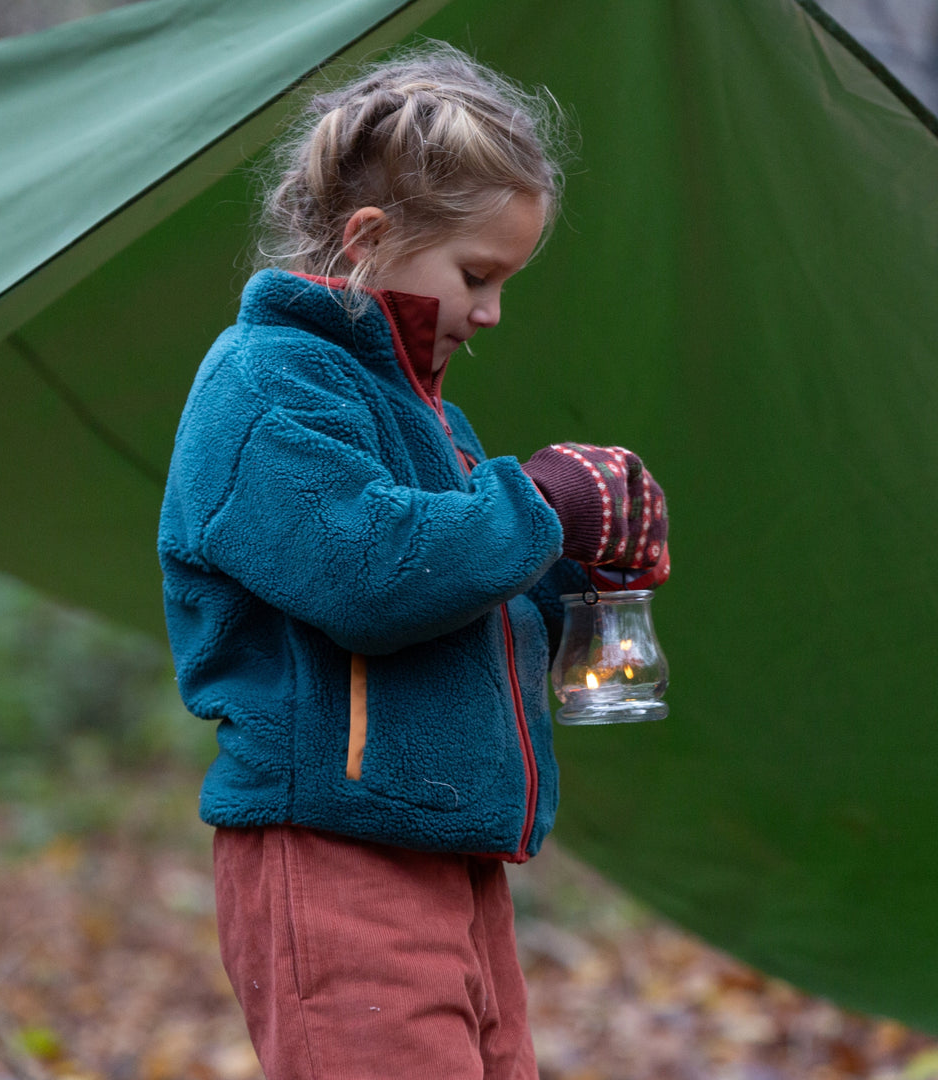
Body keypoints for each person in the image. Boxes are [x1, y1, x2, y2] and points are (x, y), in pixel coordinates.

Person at [157, 42, 668, 1080]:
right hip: (335, 851)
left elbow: (453, 590)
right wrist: (541, 503)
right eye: (476, 276)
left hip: (454, 855)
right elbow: (370, 576)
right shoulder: (266, 386)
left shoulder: (430, 414)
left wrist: (580, 565)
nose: (489, 313)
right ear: (370, 240)